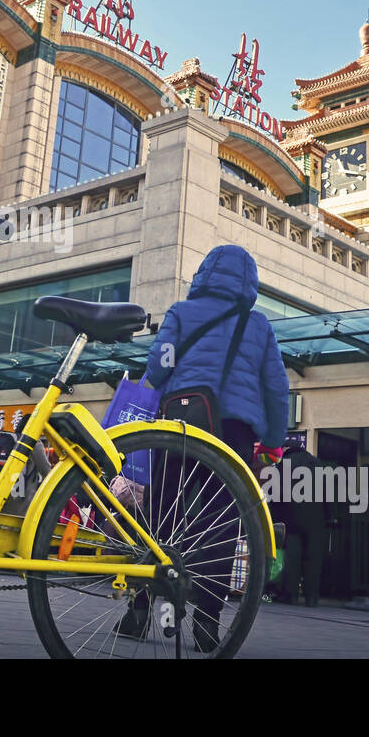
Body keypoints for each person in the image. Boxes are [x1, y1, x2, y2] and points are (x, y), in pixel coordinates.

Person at [133, 244, 290, 651]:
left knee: (158, 517)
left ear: (204, 274)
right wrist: (272, 442)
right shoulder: (257, 326)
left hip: (175, 427)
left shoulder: (181, 314)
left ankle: (142, 611)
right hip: (231, 434)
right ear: (248, 282)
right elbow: (276, 388)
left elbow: (157, 367)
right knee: (220, 524)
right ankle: (207, 622)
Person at [272, 441, 327, 607]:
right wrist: (329, 515)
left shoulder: (284, 464)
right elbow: (328, 492)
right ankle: (312, 598)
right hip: (317, 518)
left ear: (286, 449)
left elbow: (277, 492)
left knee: (292, 557)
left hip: (292, 516)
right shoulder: (318, 463)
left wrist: (274, 514)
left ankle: (291, 595)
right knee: (314, 558)